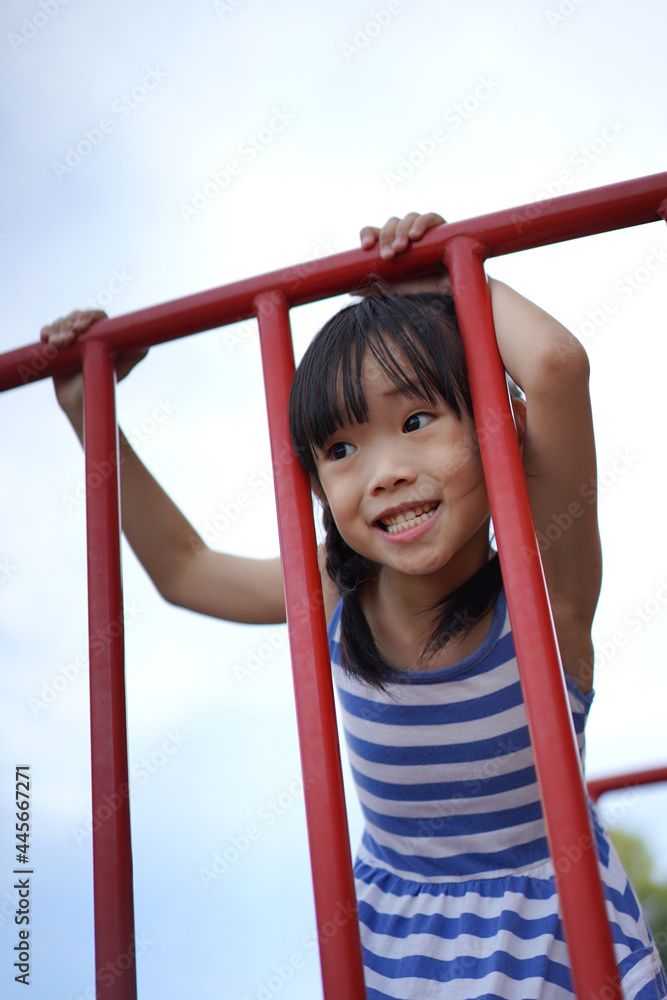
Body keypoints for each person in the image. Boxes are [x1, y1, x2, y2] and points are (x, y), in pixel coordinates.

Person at [42, 213, 667, 999]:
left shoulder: (546, 599)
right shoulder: (337, 594)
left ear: (498, 428)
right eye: (340, 449)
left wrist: (451, 282)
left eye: (416, 421)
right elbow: (184, 570)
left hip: (554, 943)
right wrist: (87, 411)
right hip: (395, 953)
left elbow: (553, 364)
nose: (384, 471)